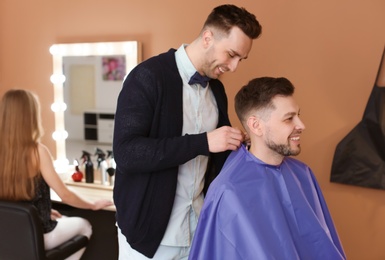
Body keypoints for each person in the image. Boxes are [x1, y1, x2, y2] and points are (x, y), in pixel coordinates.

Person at [113, 4, 262, 259]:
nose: (235, 66)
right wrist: (203, 142)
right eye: (231, 54)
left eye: (241, 59)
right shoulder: (147, 76)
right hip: (149, 238)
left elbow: (216, 155)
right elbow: (127, 152)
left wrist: (241, 144)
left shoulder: (216, 90)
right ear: (207, 38)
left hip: (198, 230)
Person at [188, 77, 346, 260]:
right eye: (289, 119)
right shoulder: (228, 190)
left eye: (298, 116)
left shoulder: (303, 174)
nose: (301, 125)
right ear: (256, 125)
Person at [0, 89, 113, 260]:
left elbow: (13, 200)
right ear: (30, 116)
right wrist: (93, 205)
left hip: (8, 236)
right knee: (85, 225)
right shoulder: (37, 151)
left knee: (63, 217)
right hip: (38, 236)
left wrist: (43, 211)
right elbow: (65, 195)